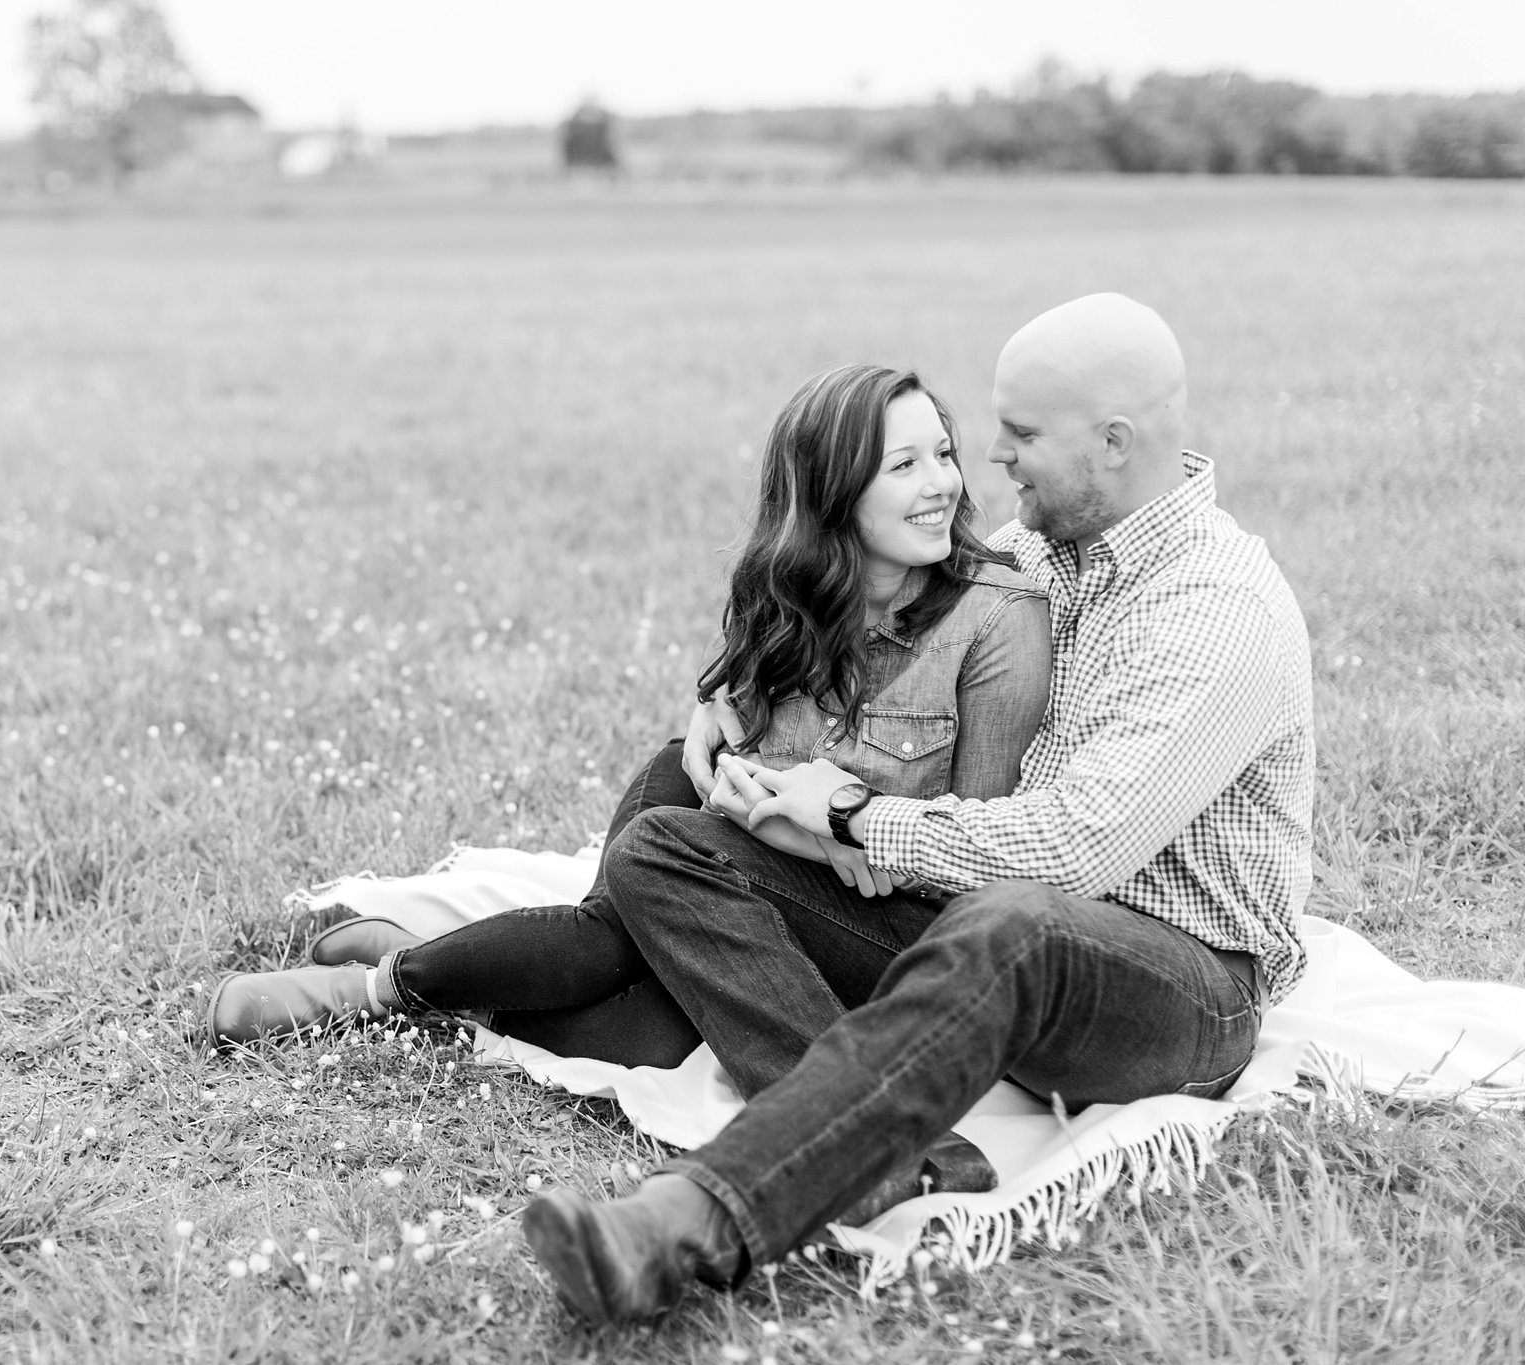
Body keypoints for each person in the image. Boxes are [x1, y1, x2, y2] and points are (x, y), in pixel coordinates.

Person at [518, 293, 1316, 1324]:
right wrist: (724, 702)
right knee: (668, 842)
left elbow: (1073, 855)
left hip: (1180, 985)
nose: (994, 458)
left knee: (1010, 920)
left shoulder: (1215, 611)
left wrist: (849, 813)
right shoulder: (1037, 555)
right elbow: (845, 611)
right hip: (992, 921)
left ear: (1112, 444)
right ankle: (898, 1150)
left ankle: (686, 1224)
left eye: (1021, 435)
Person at [206, 363, 1051, 1083]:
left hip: (866, 913)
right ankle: (374, 987)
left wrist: (825, 830)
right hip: (730, 851)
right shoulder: (792, 589)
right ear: (833, 491)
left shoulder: (996, 619)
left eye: (942, 452)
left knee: (635, 1037)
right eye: (904, 464)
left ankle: (398, 971)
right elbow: (741, 730)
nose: (942, 483)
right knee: (611, 936)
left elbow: (975, 874)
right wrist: (722, 732)